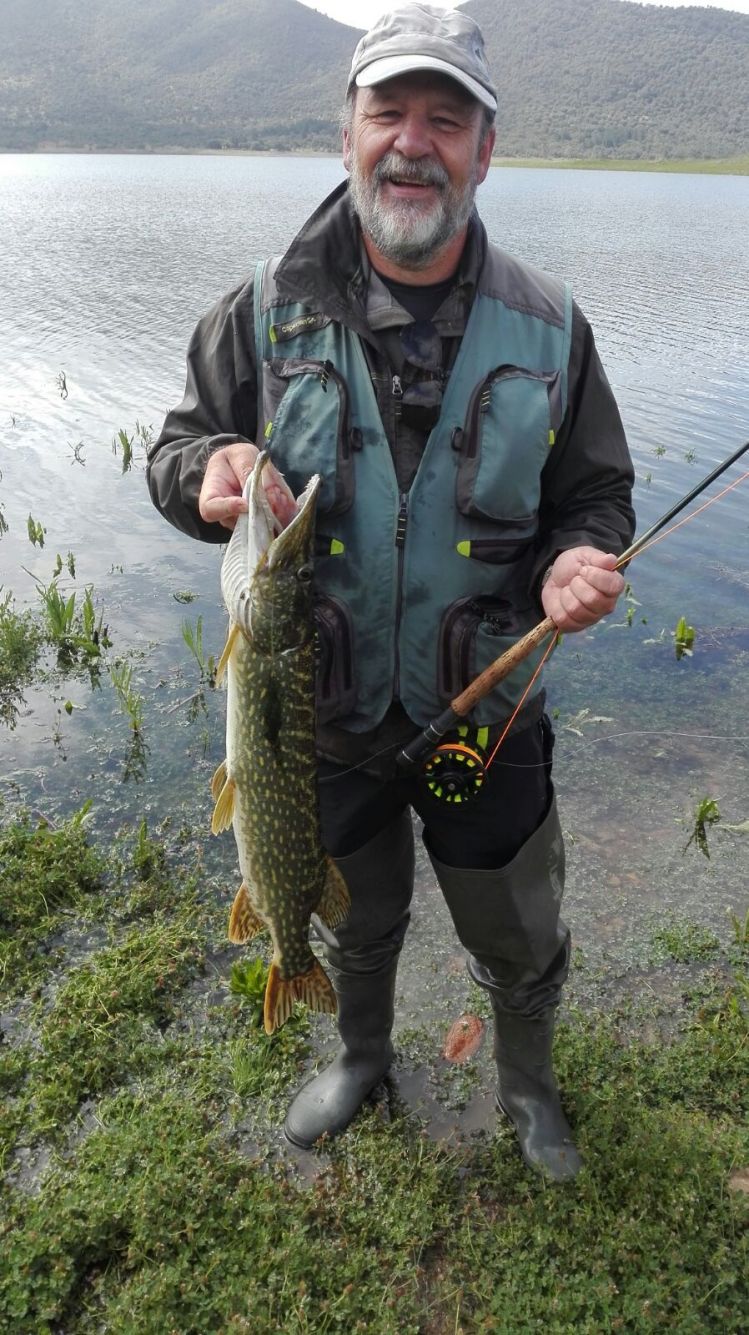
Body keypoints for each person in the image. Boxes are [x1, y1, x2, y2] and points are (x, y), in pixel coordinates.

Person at [147, 4, 635, 1182]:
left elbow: (597, 494)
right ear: (349, 130)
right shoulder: (257, 314)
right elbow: (176, 450)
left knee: (516, 925)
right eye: (389, 113)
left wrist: (580, 556)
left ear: (483, 149)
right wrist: (202, 473)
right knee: (350, 917)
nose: (412, 142)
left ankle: (525, 1088)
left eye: (444, 118)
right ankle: (361, 1060)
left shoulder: (550, 327)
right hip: (317, 714)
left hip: (487, 706)